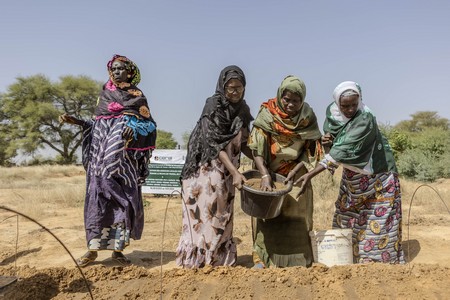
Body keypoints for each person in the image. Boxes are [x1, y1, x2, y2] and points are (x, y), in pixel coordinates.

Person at [59, 54, 157, 267]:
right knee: (97, 201)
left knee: (121, 201)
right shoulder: (104, 95)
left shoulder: (136, 96)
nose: (116, 72)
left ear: (130, 72)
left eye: (120, 68)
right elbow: (95, 125)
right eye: (113, 69)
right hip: (98, 160)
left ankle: (117, 251)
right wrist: (75, 121)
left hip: (123, 164)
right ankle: (92, 250)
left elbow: (149, 126)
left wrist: (134, 130)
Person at [295, 81, 405, 264]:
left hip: (378, 175)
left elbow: (343, 150)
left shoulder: (365, 118)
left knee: (377, 221)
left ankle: (377, 264)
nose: (350, 109)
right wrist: (327, 142)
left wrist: (310, 174)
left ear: (360, 100)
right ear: (338, 103)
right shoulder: (333, 114)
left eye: (354, 104)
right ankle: (349, 259)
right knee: (348, 217)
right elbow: (334, 149)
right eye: (345, 105)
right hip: (353, 177)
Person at [176, 65, 253, 268]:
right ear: (222, 87)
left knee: (223, 212)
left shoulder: (243, 110)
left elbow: (244, 142)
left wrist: (262, 167)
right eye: (230, 88)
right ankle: (199, 260)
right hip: (205, 168)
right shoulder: (213, 105)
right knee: (205, 213)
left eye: (239, 87)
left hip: (228, 169)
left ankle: (219, 260)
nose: (235, 92)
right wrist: (236, 172)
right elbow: (214, 143)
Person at [248, 75, 323, 268]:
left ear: (303, 100)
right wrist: (265, 176)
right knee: (268, 217)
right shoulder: (267, 114)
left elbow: (311, 149)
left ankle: (298, 261)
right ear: (280, 95)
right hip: (269, 174)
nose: (290, 104)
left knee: (297, 219)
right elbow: (256, 149)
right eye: (287, 99)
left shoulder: (307, 117)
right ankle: (265, 260)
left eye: (296, 101)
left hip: (297, 175)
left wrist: (297, 169)